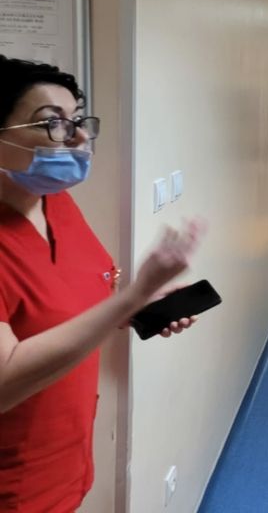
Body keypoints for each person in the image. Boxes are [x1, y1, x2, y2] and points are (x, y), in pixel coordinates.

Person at [0, 55, 204, 512]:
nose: (77, 137)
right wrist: (133, 294)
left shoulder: (56, 205)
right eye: (52, 123)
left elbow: (72, 303)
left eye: (77, 121)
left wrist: (137, 307)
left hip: (66, 464)